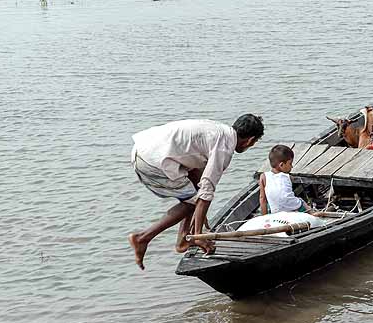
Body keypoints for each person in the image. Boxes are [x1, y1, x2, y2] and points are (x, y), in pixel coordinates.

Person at [128, 114, 264, 270]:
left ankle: (184, 239)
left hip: (143, 150)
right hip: (153, 160)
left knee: (193, 197)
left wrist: (200, 212)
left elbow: (196, 176)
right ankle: (143, 238)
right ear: (250, 140)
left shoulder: (219, 131)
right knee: (193, 201)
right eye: (254, 143)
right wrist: (199, 236)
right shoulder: (224, 147)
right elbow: (207, 189)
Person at [258, 145, 317, 215]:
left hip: (275, 211)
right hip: (292, 205)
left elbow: (262, 199)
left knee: (271, 203)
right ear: (281, 165)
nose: (291, 166)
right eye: (290, 163)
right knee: (300, 201)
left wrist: (264, 217)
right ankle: (312, 213)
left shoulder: (263, 176)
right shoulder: (288, 177)